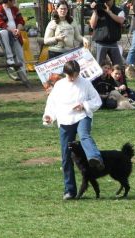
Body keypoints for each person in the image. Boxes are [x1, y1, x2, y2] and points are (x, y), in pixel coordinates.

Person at [42, 60, 104, 200]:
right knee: (66, 155)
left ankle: (95, 158)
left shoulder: (86, 83)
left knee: (84, 135)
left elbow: (97, 101)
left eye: (75, 75)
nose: (73, 78)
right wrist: (49, 116)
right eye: (70, 75)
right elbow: (52, 103)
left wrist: (84, 105)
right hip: (65, 120)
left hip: (82, 116)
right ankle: (69, 190)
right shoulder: (59, 85)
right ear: (66, 73)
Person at [89, 0, 125, 65]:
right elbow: (92, 25)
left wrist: (109, 12)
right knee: (99, 65)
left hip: (113, 42)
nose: (106, 2)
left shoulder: (119, 10)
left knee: (118, 65)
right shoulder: (98, 10)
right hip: (100, 43)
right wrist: (95, 11)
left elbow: (121, 20)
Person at [0, 0, 26, 66]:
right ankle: (9, 57)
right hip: (4, 34)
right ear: (8, 1)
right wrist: (12, 31)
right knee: (3, 32)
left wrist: (18, 30)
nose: (15, 2)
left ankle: (24, 75)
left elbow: (21, 21)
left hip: (16, 35)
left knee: (21, 58)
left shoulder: (15, 9)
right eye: (13, 0)